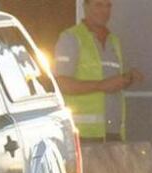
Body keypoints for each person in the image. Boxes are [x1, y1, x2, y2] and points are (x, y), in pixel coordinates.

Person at [54, 0, 143, 142]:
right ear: (85, 6)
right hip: (82, 135)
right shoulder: (71, 38)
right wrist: (101, 85)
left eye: (108, 6)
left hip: (113, 132)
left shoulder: (114, 41)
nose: (104, 11)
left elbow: (111, 82)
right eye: (99, 5)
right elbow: (60, 84)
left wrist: (127, 79)